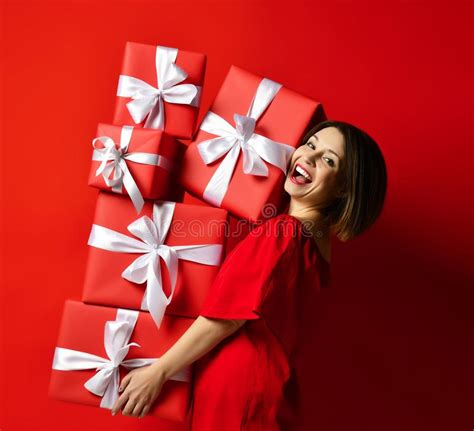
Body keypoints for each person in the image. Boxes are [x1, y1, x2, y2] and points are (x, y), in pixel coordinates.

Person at [110, 120, 388, 430]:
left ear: (344, 188)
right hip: (267, 390)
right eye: (311, 145)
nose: (308, 157)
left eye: (328, 159)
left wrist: (157, 373)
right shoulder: (317, 247)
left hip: (241, 393)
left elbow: (226, 317)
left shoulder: (284, 232)